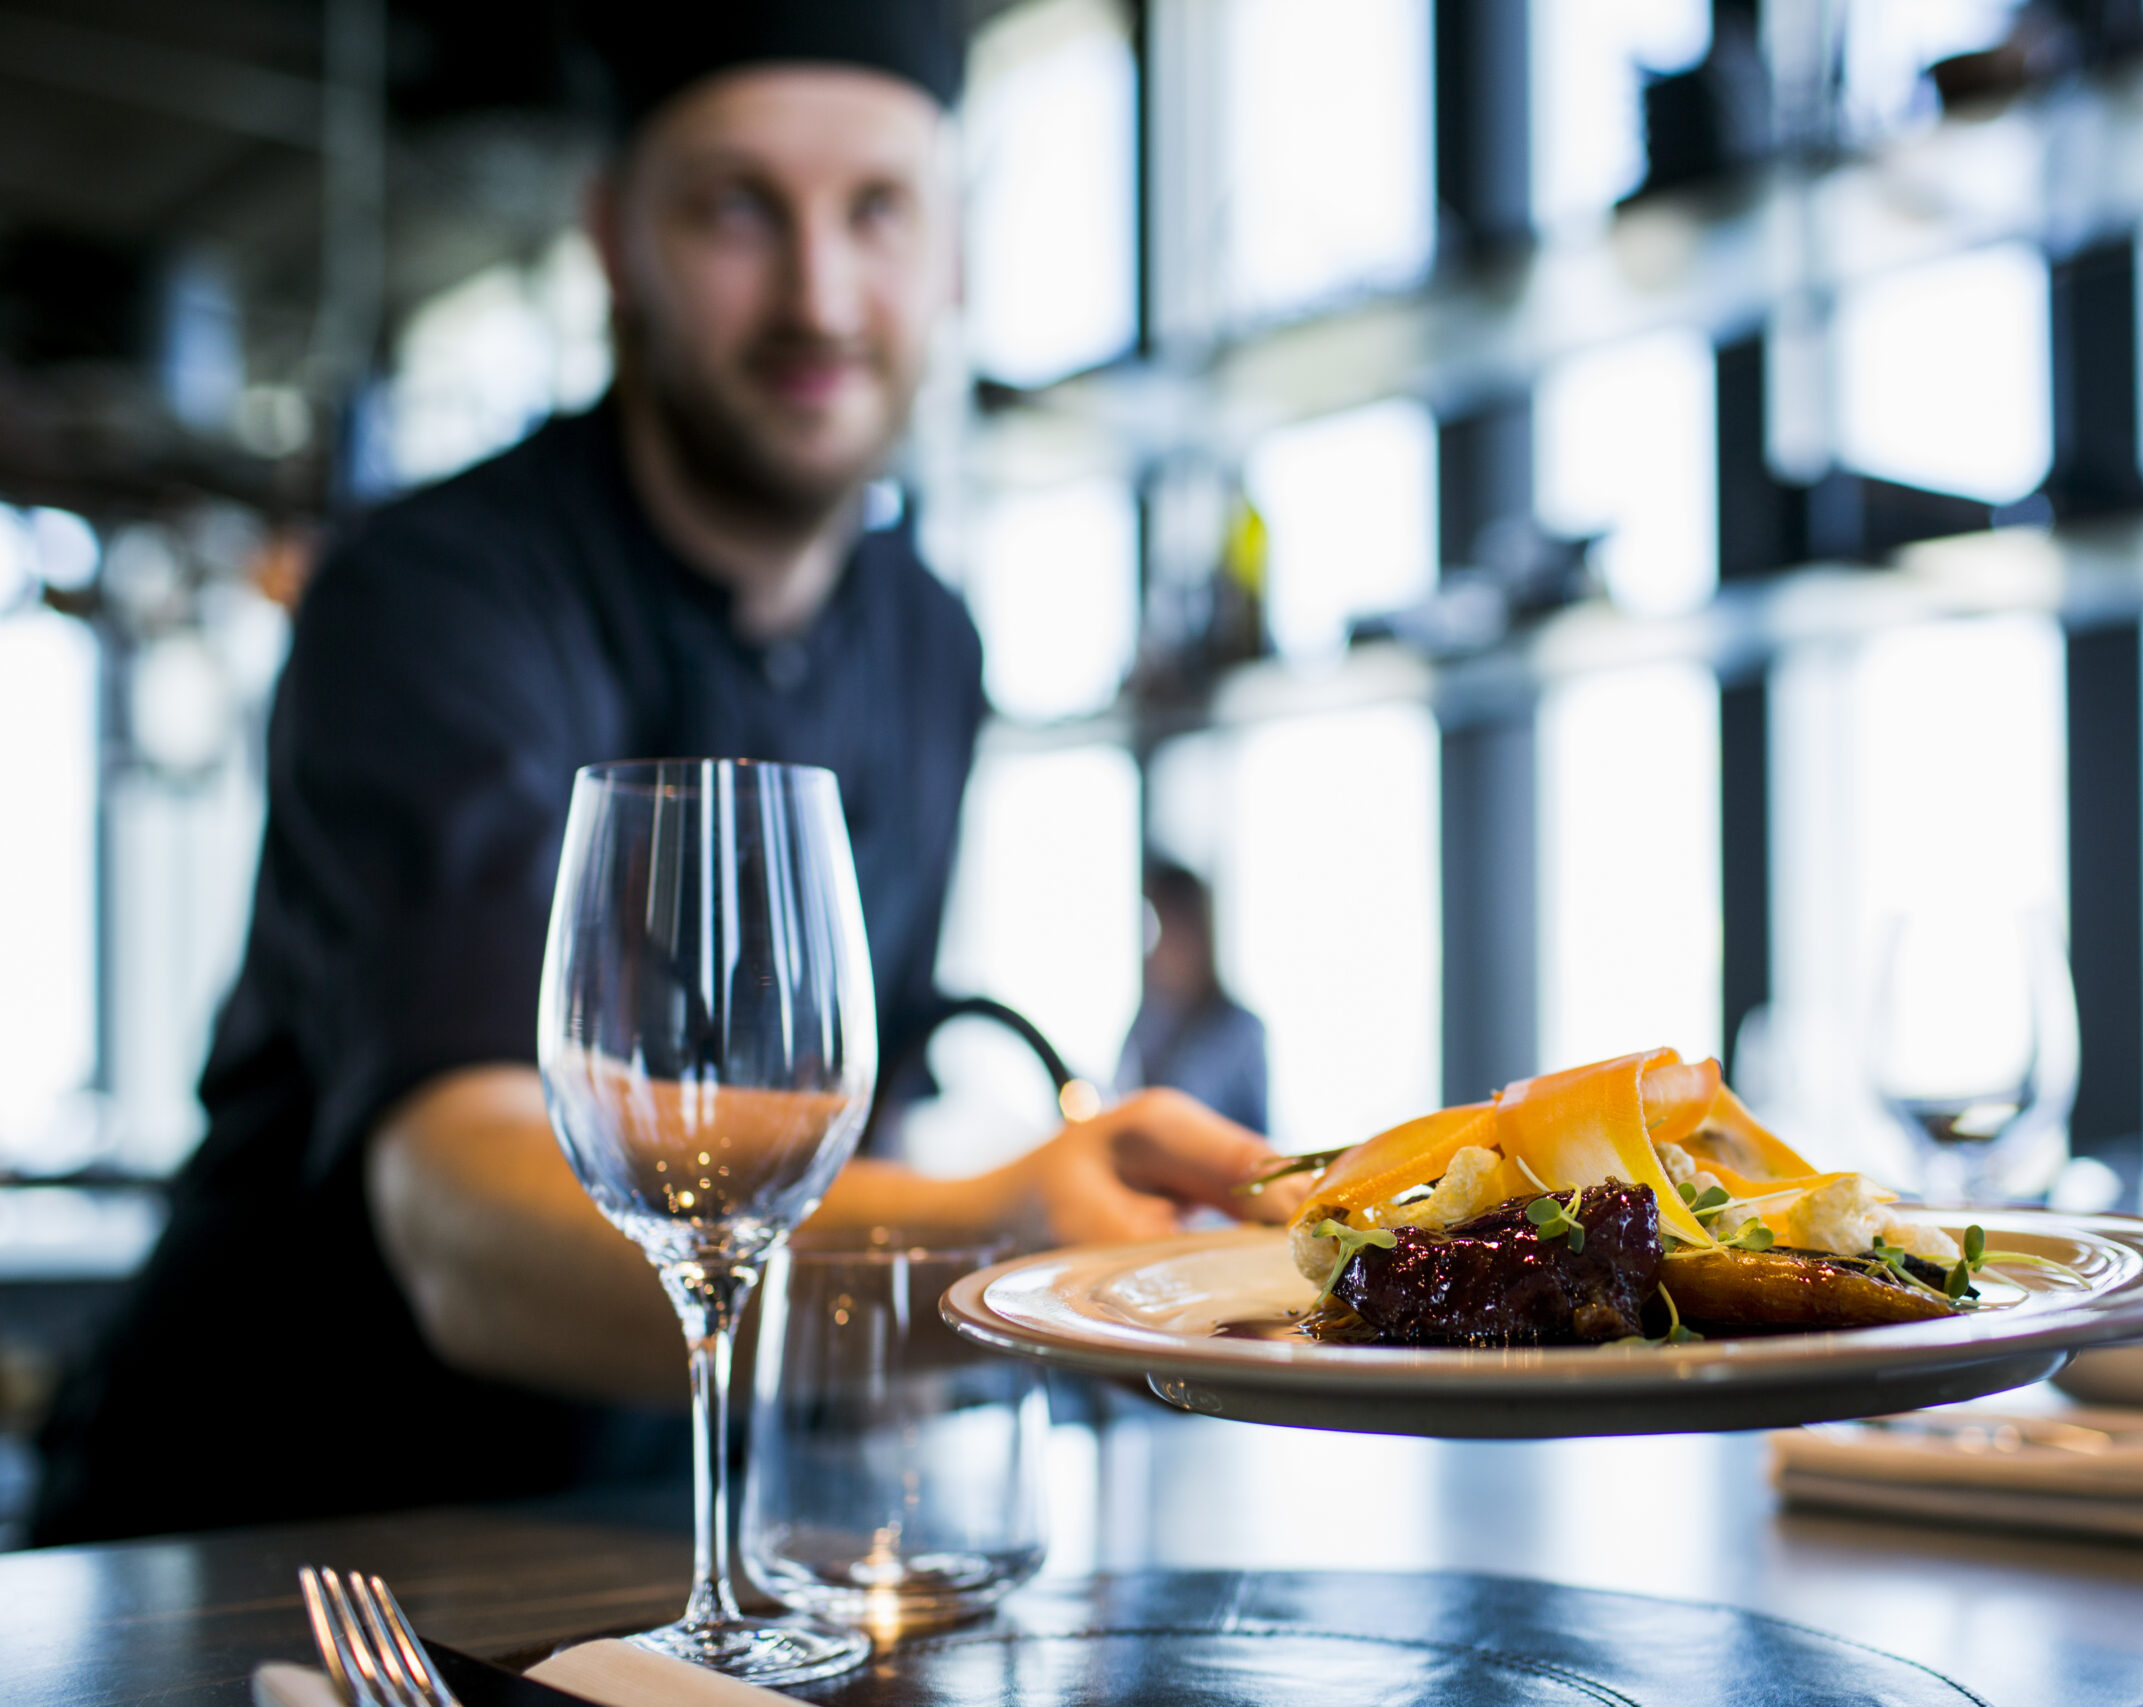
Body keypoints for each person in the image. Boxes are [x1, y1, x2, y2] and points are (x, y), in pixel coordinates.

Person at [32, 0, 1298, 1545]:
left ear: (954, 252)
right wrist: (993, 1242)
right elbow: (468, 1223)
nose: (819, 294)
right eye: (737, 209)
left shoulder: (927, 643)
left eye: (879, 210)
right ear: (614, 237)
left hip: (670, 1533)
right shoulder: (434, 594)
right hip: (274, 1535)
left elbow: (826, 1133)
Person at [1115, 860, 1269, 1133]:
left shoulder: (1240, 1030)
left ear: (1195, 934)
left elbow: (1256, 1141)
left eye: (1163, 931)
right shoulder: (1148, 1022)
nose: (1152, 952)